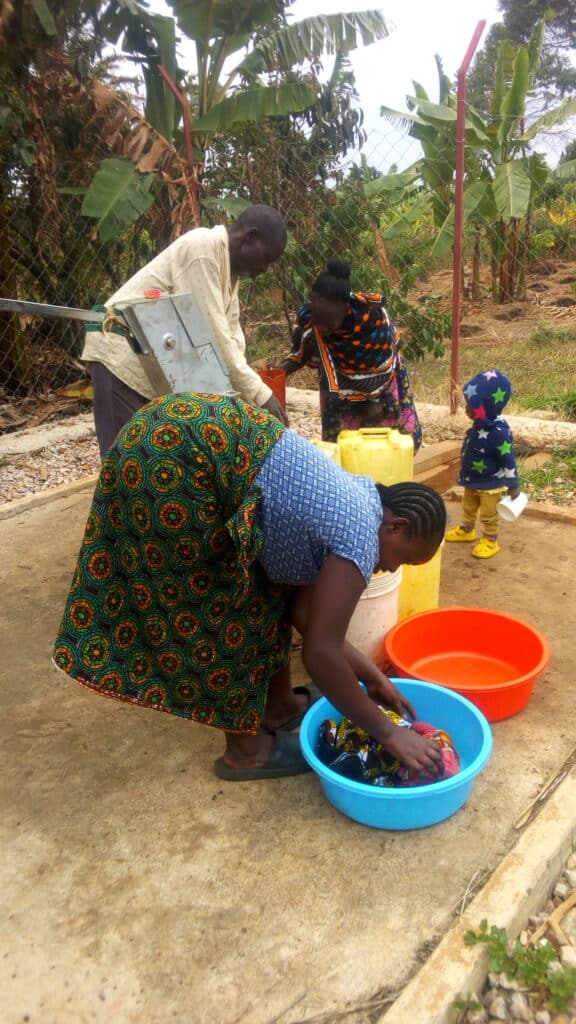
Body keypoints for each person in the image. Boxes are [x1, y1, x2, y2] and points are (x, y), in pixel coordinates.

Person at [53, 391, 447, 782]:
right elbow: (321, 655)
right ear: (396, 527)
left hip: (178, 430)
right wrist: (389, 733)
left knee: (270, 593)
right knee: (230, 604)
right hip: (176, 461)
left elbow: (304, 615)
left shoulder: (360, 497)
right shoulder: (360, 535)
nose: (392, 568)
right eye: (405, 558)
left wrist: (373, 679)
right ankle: (247, 752)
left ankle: (276, 708)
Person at [82, 205, 289, 456]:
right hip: (121, 358)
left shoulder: (228, 271)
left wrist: (247, 404)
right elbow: (214, 340)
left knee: (154, 462)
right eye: (267, 258)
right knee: (124, 463)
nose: (266, 269)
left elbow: (234, 342)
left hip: (154, 365)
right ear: (250, 236)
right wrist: (261, 396)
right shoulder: (202, 249)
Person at [276, 259, 422, 448]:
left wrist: (371, 400)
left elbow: (384, 365)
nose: (321, 328)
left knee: (384, 441)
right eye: (317, 320)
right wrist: (275, 374)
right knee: (339, 444)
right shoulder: (310, 318)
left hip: (381, 382)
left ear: (345, 310)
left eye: (328, 324)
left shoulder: (373, 322)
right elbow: (302, 351)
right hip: (337, 382)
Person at [445, 369, 520, 559]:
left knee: (489, 513)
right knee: (468, 506)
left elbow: (508, 459)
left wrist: (513, 484)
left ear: (486, 407)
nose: (466, 410)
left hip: (491, 484)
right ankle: (467, 529)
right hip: (473, 478)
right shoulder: (479, 425)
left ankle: (490, 539)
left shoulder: (499, 432)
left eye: (471, 406)